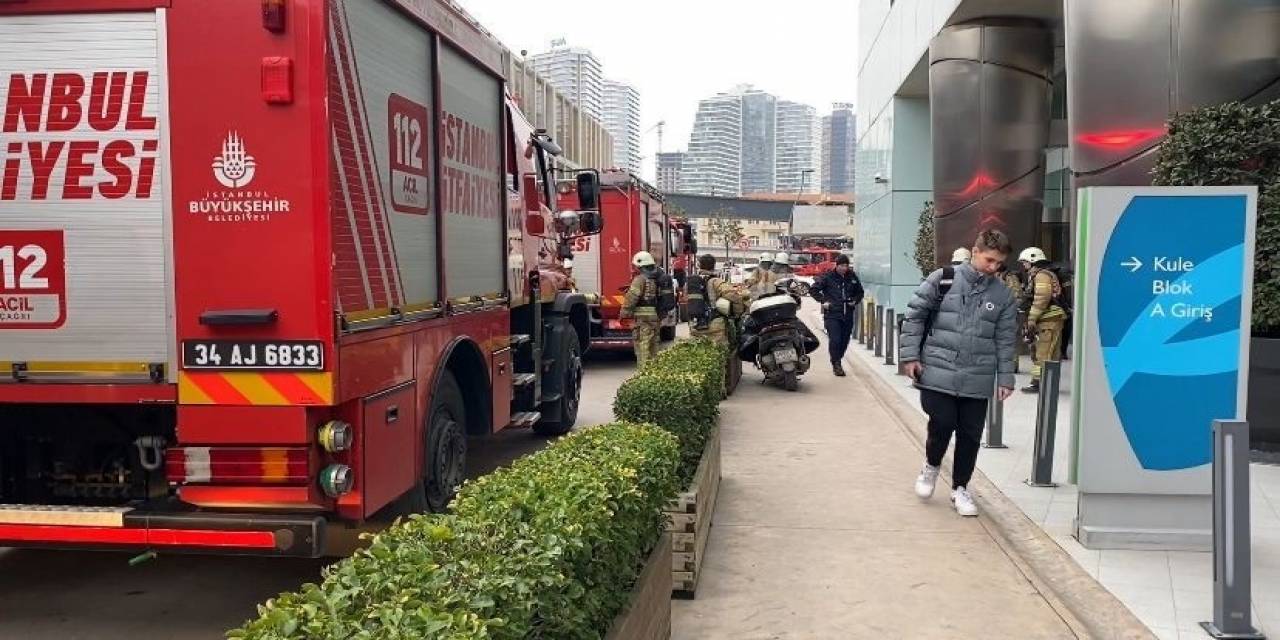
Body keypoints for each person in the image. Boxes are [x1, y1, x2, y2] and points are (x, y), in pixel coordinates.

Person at [900, 229, 1017, 517]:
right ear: (975, 252)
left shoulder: (1002, 295)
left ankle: (960, 488)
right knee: (942, 422)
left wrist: (1005, 377)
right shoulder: (943, 279)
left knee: (970, 434)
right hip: (938, 368)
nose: (994, 267)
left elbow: (1005, 338)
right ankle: (931, 466)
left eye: (999, 263)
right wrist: (910, 356)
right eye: (989, 260)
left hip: (977, 376)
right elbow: (914, 316)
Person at [1017, 247, 1067, 394]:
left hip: (1048, 321)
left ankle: (1039, 383)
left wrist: (1032, 318)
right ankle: (1047, 383)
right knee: (1049, 353)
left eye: (1025, 263)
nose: (1024, 266)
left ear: (1033, 260)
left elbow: (1041, 298)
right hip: (1050, 320)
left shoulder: (1041, 275)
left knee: (1044, 353)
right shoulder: (1043, 274)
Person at [809, 254, 864, 376]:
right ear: (837, 265)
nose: (844, 268)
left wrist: (855, 300)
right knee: (835, 340)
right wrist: (824, 301)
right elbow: (813, 290)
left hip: (848, 314)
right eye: (842, 265)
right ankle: (836, 364)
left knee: (844, 340)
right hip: (833, 315)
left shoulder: (852, 277)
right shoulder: (828, 277)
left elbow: (860, 292)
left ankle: (837, 358)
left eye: (846, 265)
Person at [686, 254, 747, 348]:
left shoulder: (692, 283)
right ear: (713, 265)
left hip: (694, 325)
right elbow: (734, 296)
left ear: (699, 265)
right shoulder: (716, 281)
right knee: (720, 353)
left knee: (699, 353)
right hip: (715, 325)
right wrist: (737, 314)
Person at [621, 251, 662, 367]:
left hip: (642, 321)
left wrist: (624, 314)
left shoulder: (640, 279)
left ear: (641, 266)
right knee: (653, 348)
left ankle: (644, 375)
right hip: (654, 318)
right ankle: (654, 375)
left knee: (643, 349)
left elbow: (631, 299)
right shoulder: (656, 279)